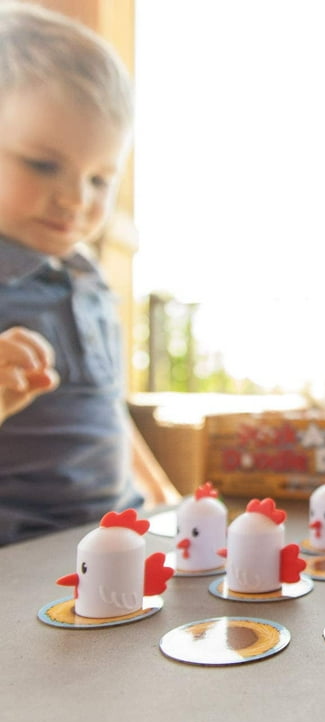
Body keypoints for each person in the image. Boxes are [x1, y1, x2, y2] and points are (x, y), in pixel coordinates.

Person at [0, 2, 179, 546]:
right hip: (21, 554)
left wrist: (166, 500)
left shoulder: (88, 280)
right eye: (42, 164)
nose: (76, 199)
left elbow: (107, 413)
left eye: (100, 178)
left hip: (114, 534)